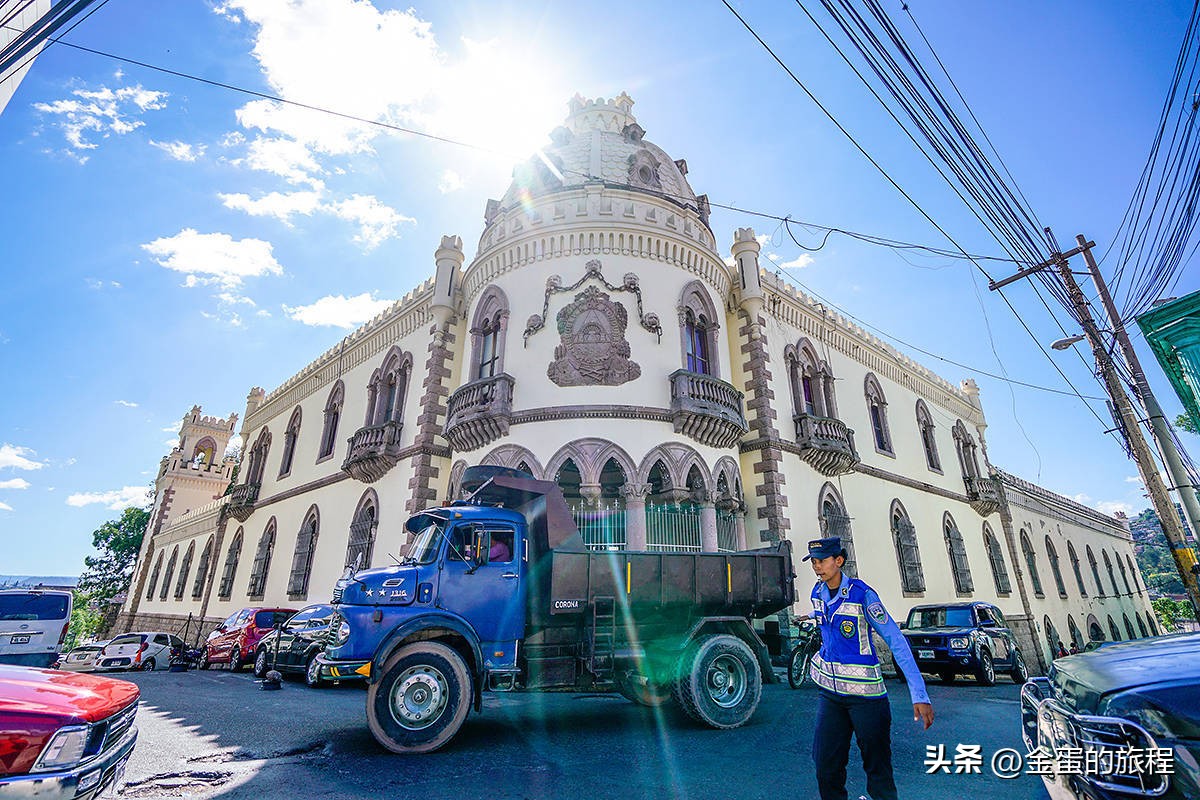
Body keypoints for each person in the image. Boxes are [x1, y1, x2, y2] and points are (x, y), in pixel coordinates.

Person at [804, 536, 934, 800]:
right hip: (831, 697)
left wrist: (919, 693)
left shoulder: (863, 595)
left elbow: (896, 641)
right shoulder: (817, 594)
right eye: (814, 562)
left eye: (822, 561)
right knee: (825, 767)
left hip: (867, 700)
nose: (817, 567)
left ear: (838, 561)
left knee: (878, 772)